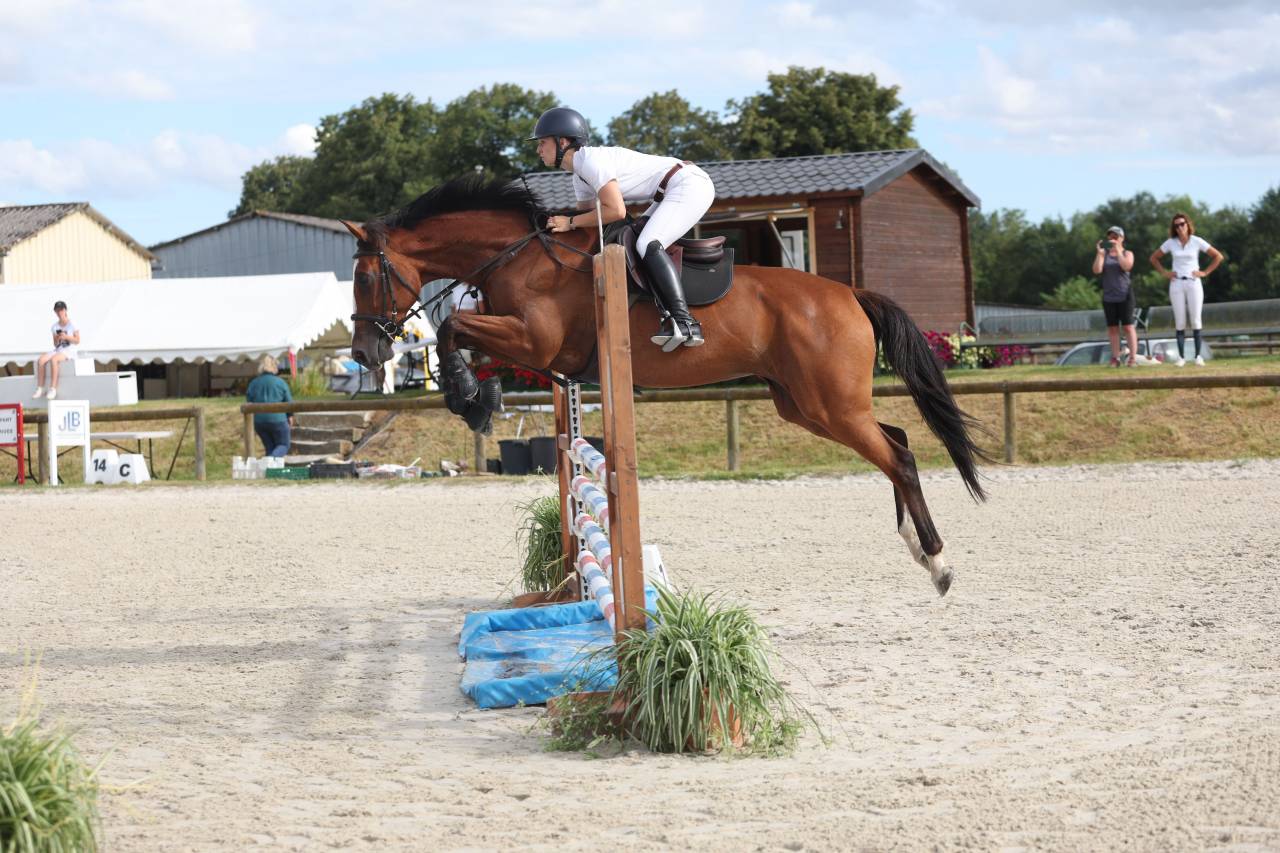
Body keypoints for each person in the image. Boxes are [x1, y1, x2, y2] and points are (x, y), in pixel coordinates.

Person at [531, 106, 716, 351]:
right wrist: (552, 225)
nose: (538, 149)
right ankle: (666, 313)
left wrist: (570, 222)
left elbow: (615, 211)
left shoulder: (590, 161)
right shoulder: (579, 176)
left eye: (542, 142)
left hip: (689, 185)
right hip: (668, 192)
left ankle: (685, 322)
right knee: (635, 238)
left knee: (647, 243)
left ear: (562, 141)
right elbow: (588, 221)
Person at [1149, 212, 1224, 366]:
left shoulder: (1197, 241)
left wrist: (1205, 272)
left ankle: (1198, 356)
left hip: (1193, 282)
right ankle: (1181, 357)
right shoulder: (1171, 243)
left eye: (1182, 224)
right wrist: (1164, 273)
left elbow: (1218, 256)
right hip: (1176, 283)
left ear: (1188, 225)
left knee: (1196, 320)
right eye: (1176, 225)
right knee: (1180, 321)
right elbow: (1154, 258)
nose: (1180, 227)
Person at [1092, 226, 1138, 366]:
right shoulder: (1104, 254)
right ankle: (1116, 358)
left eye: (1116, 236)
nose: (1113, 239)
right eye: (1110, 236)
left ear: (1122, 238)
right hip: (1109, 296)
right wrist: (1099, 254)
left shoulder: (1127, 253)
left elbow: (1127, 266)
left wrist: (1118, 251)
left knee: (1128, 326)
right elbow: (1097, 270)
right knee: (1112, 328)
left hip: (1125, 294)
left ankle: (1132, 358)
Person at [245, 354, 295, 457]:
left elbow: (249, 400)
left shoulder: (253, 383)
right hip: (278, 420)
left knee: (270, 447)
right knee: (284, 445)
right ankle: (269, 462)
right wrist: (290, 415)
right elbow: (289, 402)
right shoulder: (280, 382)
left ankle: (270, 471)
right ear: (274, 366)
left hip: (259, 422)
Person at [33, 300, 80, 400]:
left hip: (70, 350)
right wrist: (58, 339)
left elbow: (77, 340)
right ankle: (40, 388)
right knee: (41, 360)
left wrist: (66, 337)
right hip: (59, 349)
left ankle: (53, 388)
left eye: (61, 310)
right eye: (57, 311)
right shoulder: (55, 326)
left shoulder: (73, 324)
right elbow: (55, 344)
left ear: (65, 310)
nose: (59, 313)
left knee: (54, 359)